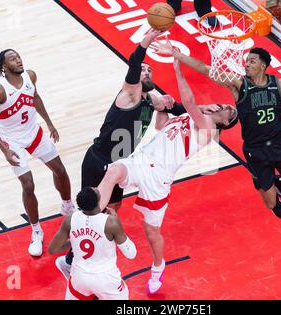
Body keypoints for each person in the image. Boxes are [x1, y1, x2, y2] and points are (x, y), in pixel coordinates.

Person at [55, 28, 220, 278]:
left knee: (114, 207)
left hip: (122, 164)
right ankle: (71, 258)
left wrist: (174, 106)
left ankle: (75, 254)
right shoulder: (130, 94)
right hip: (99, 159)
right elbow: (133, 64)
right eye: (144, 70)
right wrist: (147, 40)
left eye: (150, 70)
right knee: (92, 213)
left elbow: (183, 111)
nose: (147, 71)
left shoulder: (150, 100)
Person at [152, 42, 281, 219]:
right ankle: (264, 185)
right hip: (255, 150)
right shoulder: (239, 85)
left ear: (263, 66)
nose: (246, 64)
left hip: (280, 145)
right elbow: (204, 69)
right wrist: (175, 54)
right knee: (270, 204)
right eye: (246, 61)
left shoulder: (280, 85)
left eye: (252, 61)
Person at [96, 58, 238, 294]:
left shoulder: (209, 129)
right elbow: (162, 125)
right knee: (113, 170)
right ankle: (93, 218)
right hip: (141, 162)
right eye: (225, 104)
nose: (224, 106)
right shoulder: (191, 118)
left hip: (159, 179)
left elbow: (191, 102)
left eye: (228, 111)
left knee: (151, 232)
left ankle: (158, 266)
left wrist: (177, 70)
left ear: (224, 122)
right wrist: (163, 106)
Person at [0, 49, 75, 257]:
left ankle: (68, 207)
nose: (18, 60)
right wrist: (4, 150)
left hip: (34, 132)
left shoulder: (30, 76)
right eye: (12, 59)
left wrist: (49, 123)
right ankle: (36, 230)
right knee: (28, 184)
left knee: (60, 170)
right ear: (4, 67)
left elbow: (36, 97)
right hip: (12, 140)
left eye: (18, 56)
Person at [48, 187, 136, 300]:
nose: (95, 187)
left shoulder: (70, 219)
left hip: (79, 278)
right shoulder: (110, 222)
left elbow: (53, 249)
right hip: (105, 279)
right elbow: (131, 253)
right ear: (97, 200)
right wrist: (118, 226)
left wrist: (74, 241)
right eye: (95, 190)